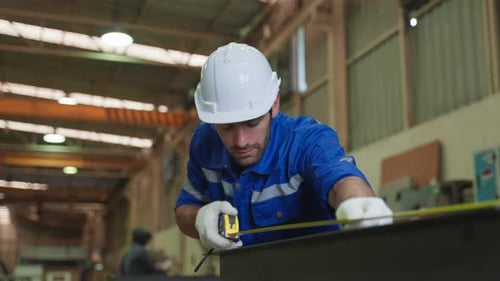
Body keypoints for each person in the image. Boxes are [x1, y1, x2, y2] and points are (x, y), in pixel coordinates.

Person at [175, 42, 393, 250]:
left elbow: (341, 180)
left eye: (252, 123)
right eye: (227, 127)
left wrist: (359, 203)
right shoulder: (204, 144)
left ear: (275, 105)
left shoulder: (307, 140)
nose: (241, 141)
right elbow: (184, 208)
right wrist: (199, 219)